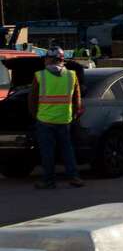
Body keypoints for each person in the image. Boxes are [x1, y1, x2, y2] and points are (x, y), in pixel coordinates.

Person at [27, 48, 84, 189]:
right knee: (67, 149)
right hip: (65, 120)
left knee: (48, 151)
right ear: (62, 60)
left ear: (50, 59)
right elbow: (77, 99)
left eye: (46, 58)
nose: (45, 60)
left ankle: (48, 180)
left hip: (45, 120)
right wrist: (75, 114)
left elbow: (32, 100)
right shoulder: (72, 75)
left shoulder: (40, 75)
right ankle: (74, 177)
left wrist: (35, 115)